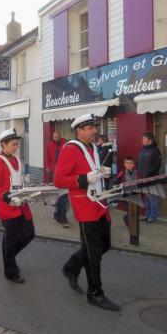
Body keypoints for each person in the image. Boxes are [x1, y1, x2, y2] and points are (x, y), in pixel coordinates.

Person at [55, 113, 119, 312]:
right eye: (90, 128)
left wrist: (101, 172)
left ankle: (72, 266)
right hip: (85, 207)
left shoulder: (92, 147)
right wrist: (84, 179)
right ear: (79, 130)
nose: (94, 131)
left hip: (100, 205)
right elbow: (60, 180)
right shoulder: (70, 149)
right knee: (93, 254)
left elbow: (91, 171)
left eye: (94, 127)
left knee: (104, 246)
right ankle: (95, 293)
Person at [0, 128, 35, 283]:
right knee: (11, 239)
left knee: (29, 233)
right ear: (3, 144)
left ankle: (8, 257)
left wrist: (27, 194)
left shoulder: (16, 160)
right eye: (13, 144)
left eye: (17, 145)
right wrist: (7, 197)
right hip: (8, 206)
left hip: (21, 204)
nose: (16, 147)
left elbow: (19, 182)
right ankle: (10, 271)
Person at [45, 131, 69, 227]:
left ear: (60, 136)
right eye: (54, 136)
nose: (55, 138)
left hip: (64, 171)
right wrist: (47, 166)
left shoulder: (65, 143)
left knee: (62, 194)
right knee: (58, 194)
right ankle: (59, 215)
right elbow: (48, 157)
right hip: (54, 172)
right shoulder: (50, 145)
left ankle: (61, 217)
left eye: (57, 136)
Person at [137, 132, 162, 223]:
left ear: (149, 140)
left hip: (152, 178)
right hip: (143, 178)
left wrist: (148, 174)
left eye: (144, 139)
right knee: (146, 198)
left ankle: (153, 216)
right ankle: (147, 215)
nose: (142, 140)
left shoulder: (155, 150)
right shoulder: (143, 150)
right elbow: (139, 163)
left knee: (152, 198)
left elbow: (157, 165)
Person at [115, 156, 139, 227]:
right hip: (126, 195)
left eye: (131, 163)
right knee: (130, 210)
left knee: (134, 210)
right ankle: (129, 221)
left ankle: (130, 220)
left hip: (135, 194)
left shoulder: (137, 173)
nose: (129, 165)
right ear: (124, 164)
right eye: (127, 163)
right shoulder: (122, 173)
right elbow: (116, 182)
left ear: (134, 164)